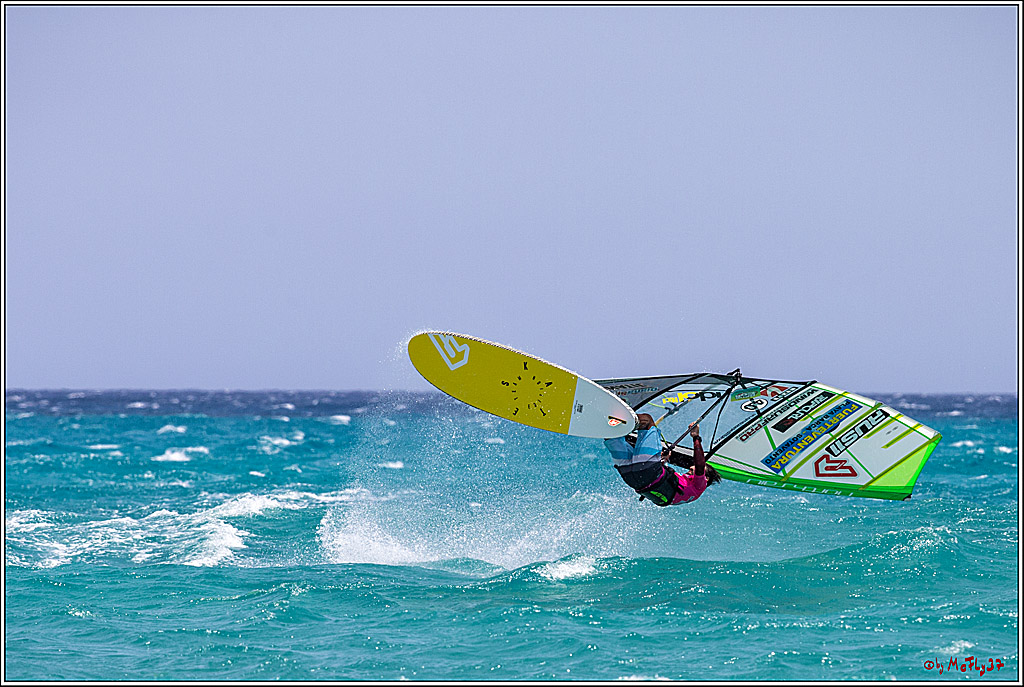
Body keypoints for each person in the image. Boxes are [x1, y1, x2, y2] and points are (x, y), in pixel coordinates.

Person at [604, 413, 721, 506]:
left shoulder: (700, 486)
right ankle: (607, 423)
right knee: (612, 438)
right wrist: (661, 462)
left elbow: (700, 465)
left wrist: (696, 437)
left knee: (647, 422)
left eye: (695, 469)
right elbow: (660, 485)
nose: (691, 467)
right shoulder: (687, 491)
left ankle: (623, 418)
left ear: (706, 478)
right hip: (630, 478)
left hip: (648, 471)